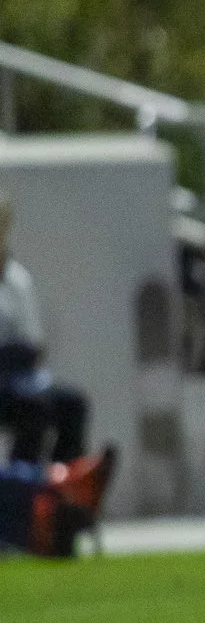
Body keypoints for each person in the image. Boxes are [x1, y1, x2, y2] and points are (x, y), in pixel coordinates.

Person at [0, 190, 90, 466]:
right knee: (33, 409)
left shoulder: (18, 280)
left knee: (73, 404)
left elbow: (33, 342)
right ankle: (21, 488)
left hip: (17, 378)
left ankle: (62, 487)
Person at [0, 446, 116, 558]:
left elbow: (60, 483)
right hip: (38, 498)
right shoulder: (82, 471)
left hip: (39, 501)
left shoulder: (82, 474)